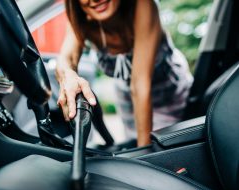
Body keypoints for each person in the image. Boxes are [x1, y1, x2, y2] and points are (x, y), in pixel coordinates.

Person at [55, 0, 193, 147]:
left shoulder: (143, 5)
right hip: (127, 96)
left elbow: (140, 83)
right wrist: (69, 76)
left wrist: (144, 155)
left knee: (162, 148)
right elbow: (66, 59)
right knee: (133, 143)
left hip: (168, 93)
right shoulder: (82, 20)